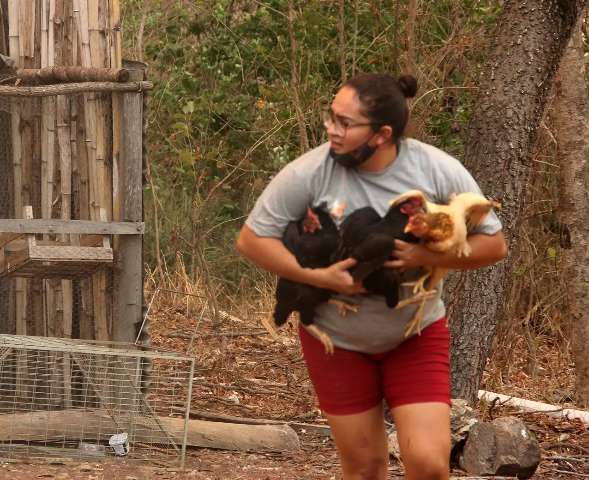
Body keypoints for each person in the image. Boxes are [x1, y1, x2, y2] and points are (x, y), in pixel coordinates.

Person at [236, 73, 507, 480]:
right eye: (331, 117)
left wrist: (424, 253)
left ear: (381, 135)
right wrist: (320, 276)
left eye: (344, 123)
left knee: (430, 465)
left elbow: (494, 245)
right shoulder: (310, 172)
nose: (331, 128)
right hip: (336, 340)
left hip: (414, 335)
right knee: (365, 469)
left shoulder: (436, 169)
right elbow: (252, 239)